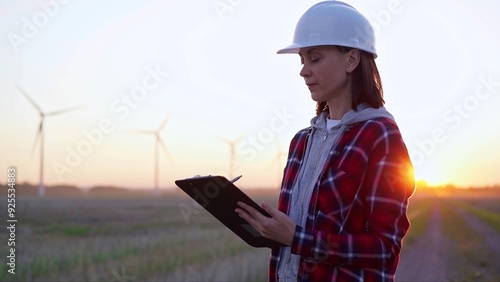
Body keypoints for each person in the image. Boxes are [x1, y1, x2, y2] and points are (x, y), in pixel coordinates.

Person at [235, 1, 415, 281]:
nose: (303, 70)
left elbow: (384, 249)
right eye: (302, 60)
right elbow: (295, 234)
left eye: (315, 58)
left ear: (351, 60)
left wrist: (298, 238)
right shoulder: (301, 142)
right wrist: (268, 229)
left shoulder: (380, 136)